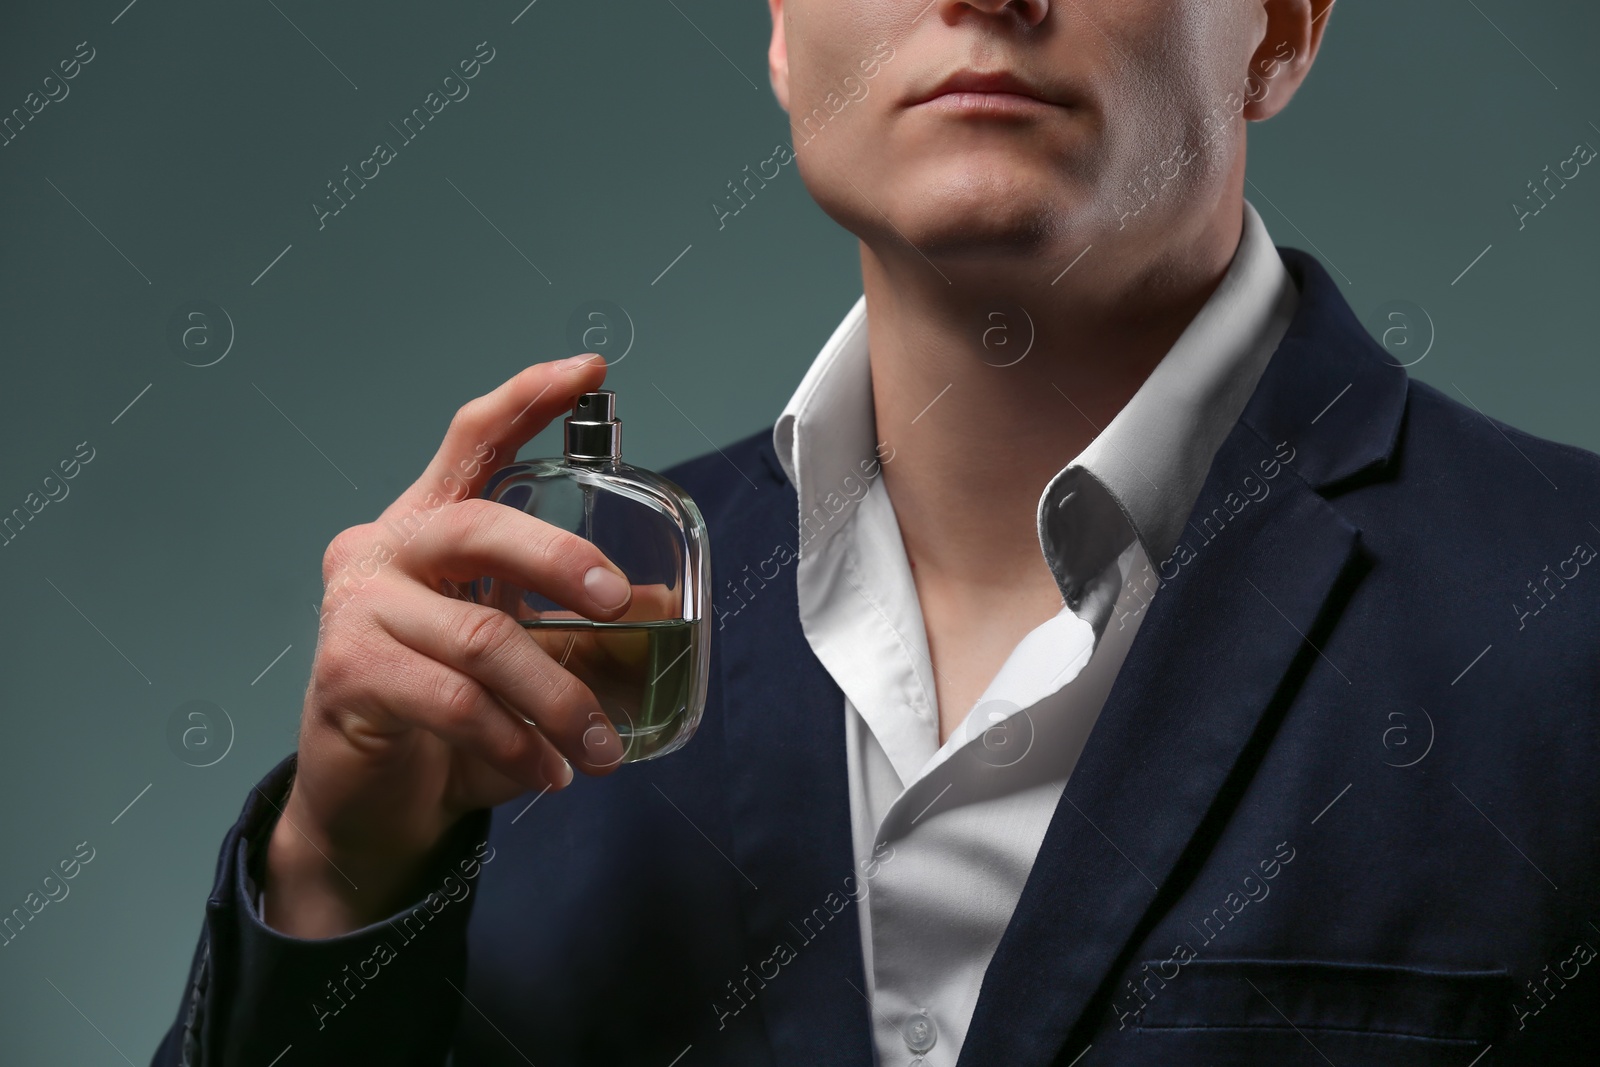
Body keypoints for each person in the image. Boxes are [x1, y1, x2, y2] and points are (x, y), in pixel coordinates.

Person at [156, 1, 1600, 1064]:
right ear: (782, 34)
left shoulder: (1568, 619)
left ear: (1280, 30)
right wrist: (341, 883)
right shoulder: (516, 660)